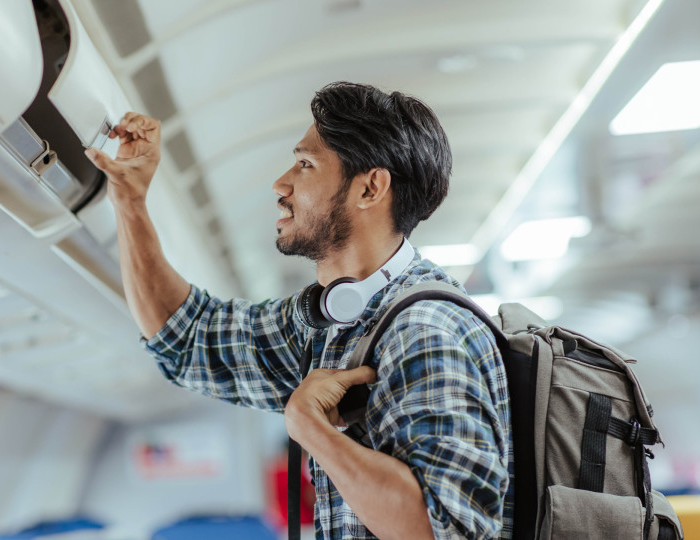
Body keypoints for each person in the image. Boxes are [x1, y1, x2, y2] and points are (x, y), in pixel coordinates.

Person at [84, 82, 513, 540]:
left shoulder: (425, 333)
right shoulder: (334, 322)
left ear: (370, 188)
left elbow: (448, 529)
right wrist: (130, 202)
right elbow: (190, 337)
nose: (281, 183)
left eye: (306, 165)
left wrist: (312, 429)